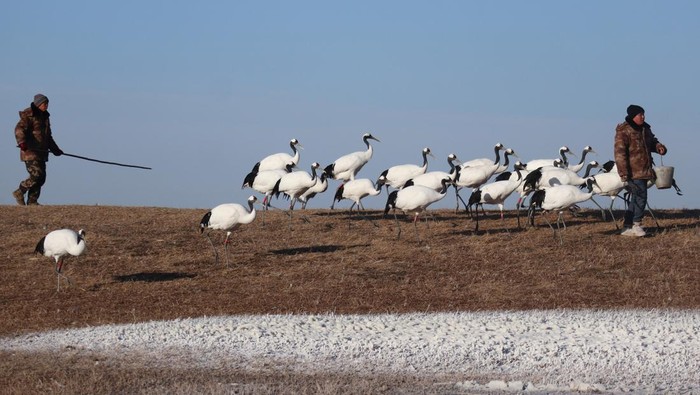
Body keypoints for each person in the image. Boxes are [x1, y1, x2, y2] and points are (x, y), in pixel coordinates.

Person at [614, 104, 667, 237]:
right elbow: (620, 154)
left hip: (645, 169)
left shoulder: (645, 129)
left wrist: (659, 147)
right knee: (641, 196)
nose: (643, 117)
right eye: (640, 114)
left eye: (643, 114)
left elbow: (652, 142)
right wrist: (624, 173)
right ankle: (637, 225)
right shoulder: (624, 131)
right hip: (632, 171)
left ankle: (627, 227)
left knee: (636, 197)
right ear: (633, 116)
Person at [13, 93, 63, 205]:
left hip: (42, 152)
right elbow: (18, 129)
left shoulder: (45, 117)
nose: (46, 106)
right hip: (30, 151)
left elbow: (48, 137)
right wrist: (22, 143)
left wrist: (56, 149)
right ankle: (20, 191)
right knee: (36, 175)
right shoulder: (29, 115)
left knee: (41, 178)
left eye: (47, 103)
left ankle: (32, 201)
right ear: (38, 104)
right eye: (44, 103)